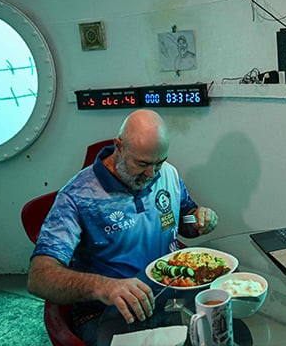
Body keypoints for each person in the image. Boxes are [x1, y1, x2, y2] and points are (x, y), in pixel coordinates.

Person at [27, 109, 218, 345]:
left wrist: (198, 218)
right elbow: (39, 277)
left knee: (223, 331)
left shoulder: (167, 174)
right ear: (119, 147)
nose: (152, 174)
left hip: (172, 298)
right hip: (108, 311)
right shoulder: (78, 197)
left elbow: (183, 219)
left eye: (160, 162)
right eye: (142, 164)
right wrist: (103, 287)